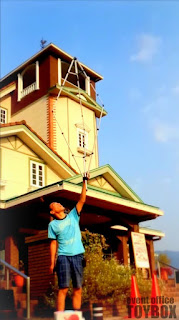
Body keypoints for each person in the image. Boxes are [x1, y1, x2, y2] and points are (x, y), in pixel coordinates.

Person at [48, 174, 89, 312]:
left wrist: (85, 182)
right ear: (53, 211)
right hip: (63, 257)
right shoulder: (52, 225)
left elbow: (82, 199)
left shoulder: (73, 215)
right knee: (63, 288)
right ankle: (60, 316)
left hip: (77, 255)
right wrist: (52, 262)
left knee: (78, 287)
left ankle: (76, 315)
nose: (59, 204)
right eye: (56, 204)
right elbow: (53, 244)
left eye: (59, 203)